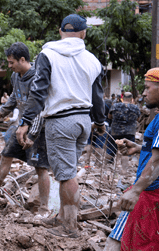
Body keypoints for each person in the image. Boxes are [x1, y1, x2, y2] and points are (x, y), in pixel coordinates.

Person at [17, 14, 106, 238]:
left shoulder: (48, 54)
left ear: (60, 32)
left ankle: (69, 226)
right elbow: (97, 95)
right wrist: (100, 121)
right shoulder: (93, 60)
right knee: (68, 171)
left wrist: (26, 122)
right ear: (84, 33)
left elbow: (38, 92)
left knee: (66, 175)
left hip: (61, 121)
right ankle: (65, 218)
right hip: (83, 121)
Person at [84, 68, 159, 251]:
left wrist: (136, 191)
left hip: (149, 193)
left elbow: (157, 161)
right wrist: (139, 148)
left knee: (115, 241)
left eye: (147, 87)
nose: (143, 93)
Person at [0, 43, 50, 212]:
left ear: (22, 59)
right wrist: (1, 113)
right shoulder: (16, 77)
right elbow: (15, 97)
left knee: (41, 167)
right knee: (6, 155)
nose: (9, 66)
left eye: (11, 62)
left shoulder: (38, 78)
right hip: (21, 127)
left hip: (39, 129)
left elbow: (40, 108)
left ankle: (44, 208)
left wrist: (32, 135)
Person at [106, 92, 140, 162]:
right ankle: (124, 169)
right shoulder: (135, 108)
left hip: (115, 131)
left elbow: (109, 116)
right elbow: (138, 119)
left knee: (111, 148)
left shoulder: (115, 105)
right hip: (129, 132)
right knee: (127, 150)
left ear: (122, 98)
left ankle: (108, 165)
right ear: (131, 99)